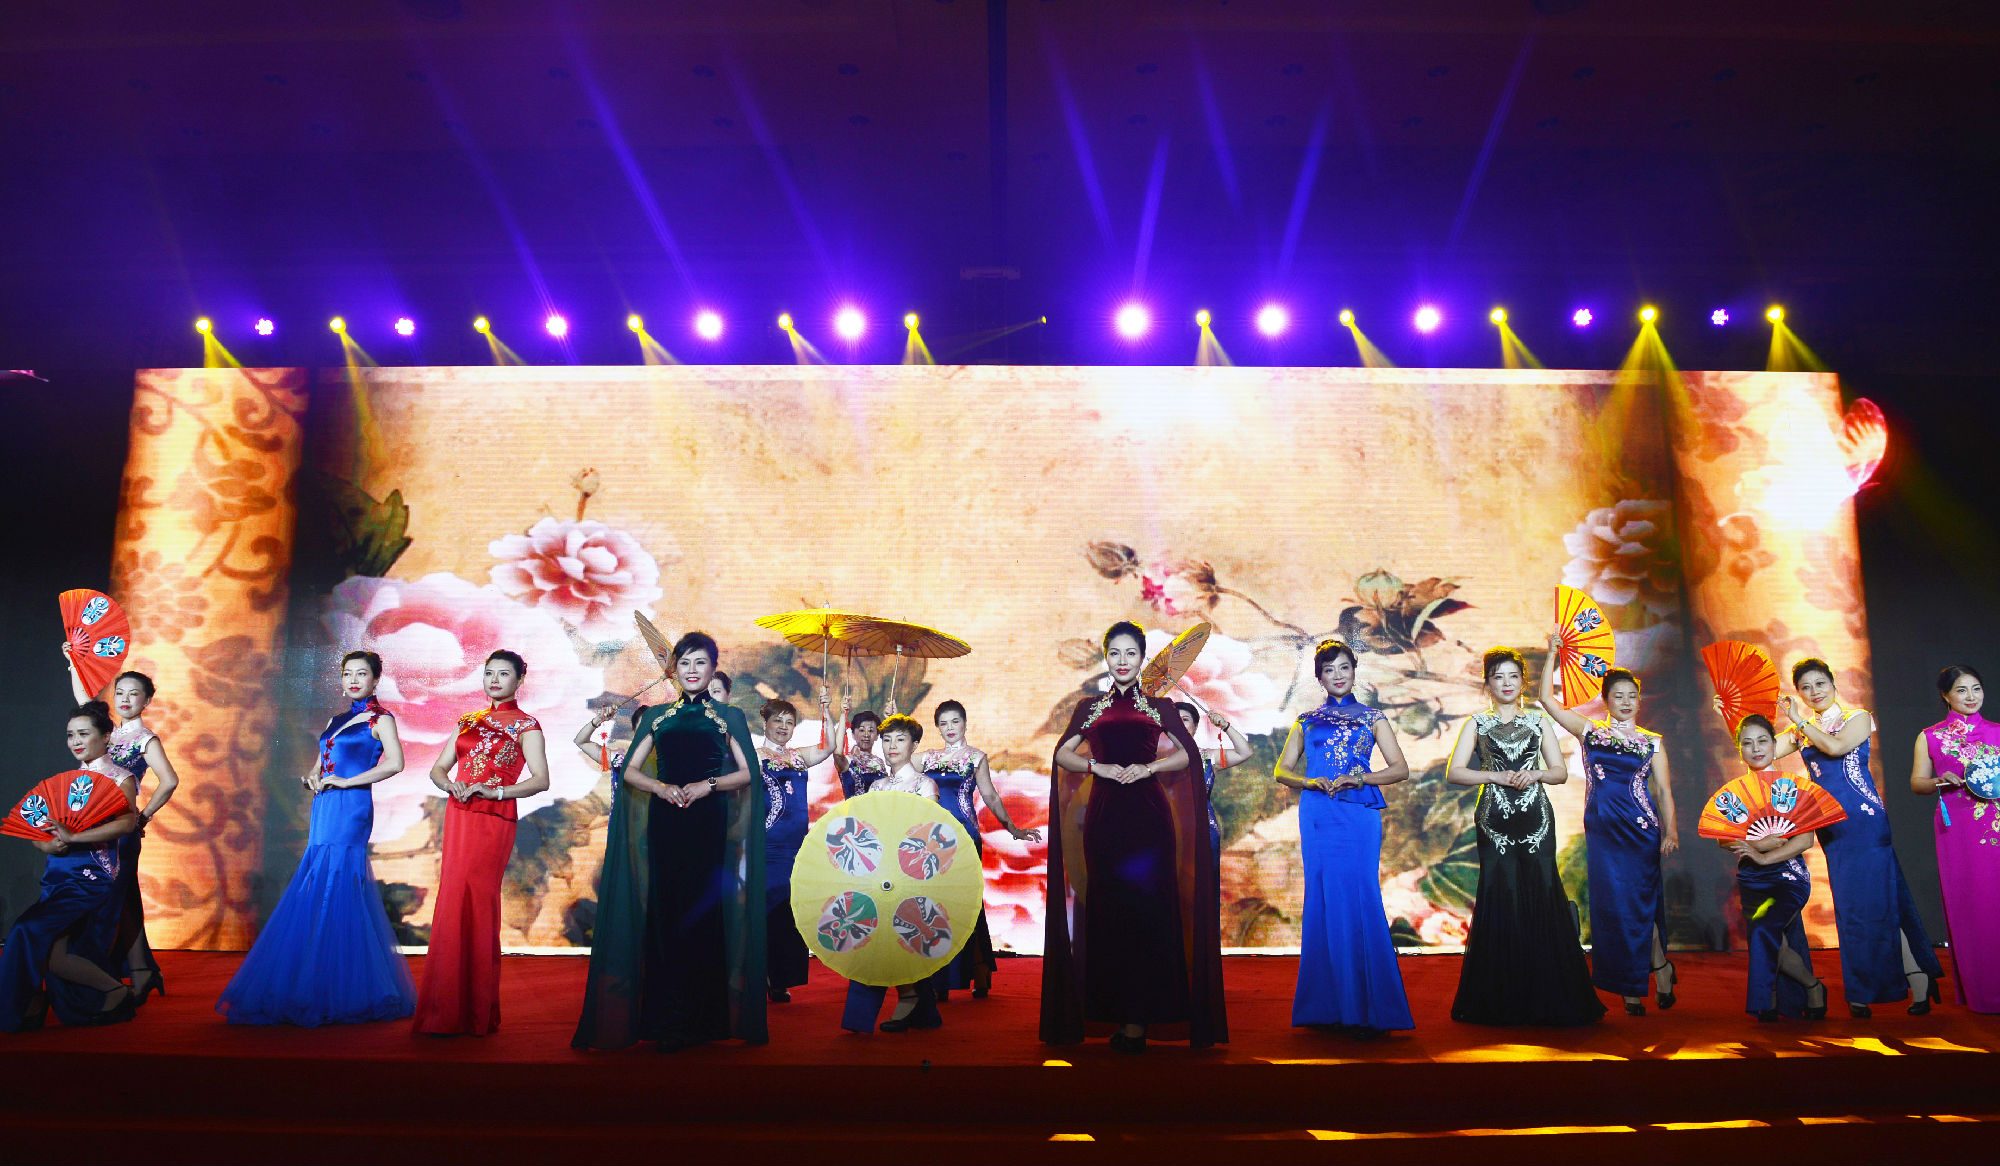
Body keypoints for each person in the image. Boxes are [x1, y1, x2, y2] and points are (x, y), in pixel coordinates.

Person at [573, 631, 766, 1052]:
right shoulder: (658, 716)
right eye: (685, 663)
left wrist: (707, 785)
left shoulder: (729, 716)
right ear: (674, 669)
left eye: (700, 663)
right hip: (666, 822)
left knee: (704, 913)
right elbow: (631, 770)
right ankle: (665, 1021)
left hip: (708, 823)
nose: (692, 670)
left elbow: (748, 773)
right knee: (666, 912)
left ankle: (703, 1022)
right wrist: (660, 789)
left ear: (713, 669)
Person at [1043, 621, 1226, 1053]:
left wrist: (1149, 768)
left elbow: (1187, 755)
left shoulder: (1160, 706)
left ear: (1142, 658)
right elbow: (1062, 753)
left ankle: (1139, 1019)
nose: (1122, 661)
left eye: (1130, 653)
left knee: (1148, 911)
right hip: (1105, 818)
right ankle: (1116, 1011)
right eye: (1115, 653)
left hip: (1148, 820)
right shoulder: (1089, 707)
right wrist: (1098, 767)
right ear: (1106, 657)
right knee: (1109, 909)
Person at [217, 651, 417, 1026]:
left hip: (351, 806)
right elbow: (321, 764)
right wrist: (313, 777)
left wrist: (347, 781)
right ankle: (316, 977)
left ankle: (339, 985)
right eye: (347, 673)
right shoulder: (335, 720)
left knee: (339, 879)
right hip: (324, 804)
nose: (353, 680)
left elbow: (395, 763)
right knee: (319, 877)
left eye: (361, 674)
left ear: (376, 680)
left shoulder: (381, 718)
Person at [1774, 658, 1943, 1018]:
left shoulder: (1857, 717)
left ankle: (1914, 980)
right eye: (1805, 688)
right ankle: (1862, 989)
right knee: (1851, 910)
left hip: (1865, 824)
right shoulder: (1805, 729)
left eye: (1820, 684)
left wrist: (1799, 721)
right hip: (1832, 828)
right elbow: (1761, 751)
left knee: (1880, 903)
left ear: (1833, 684)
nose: (1814, 692)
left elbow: (1836, 748)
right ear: (1798, 693)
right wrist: (1735, 720)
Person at [1448, 647, 1604, 1027]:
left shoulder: (1538, 722)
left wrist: (1534, 774)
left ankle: (1548, 995)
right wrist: (1495, 776)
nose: (1506, 683)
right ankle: (1501, 999)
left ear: (1523, 682)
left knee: (1542, 890)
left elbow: (1559, 772)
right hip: (1493, 821)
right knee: (1500, 893)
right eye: (1498, 676)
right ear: (1487, 683)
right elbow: (1455, 772)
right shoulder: (1476, 724)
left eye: (1513, 676)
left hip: (1537, 819)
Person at [1274, 638, 1414, 1038]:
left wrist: (1360, 777)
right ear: (1319, 678)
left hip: (1357, 814)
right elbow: (1282, 770)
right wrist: (1308, 781)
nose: (1337, 676)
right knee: (1322, 899)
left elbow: (1400, 768)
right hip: (1319, 813)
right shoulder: (1306, 720)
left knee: (1361, 894)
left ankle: (1367, 1006)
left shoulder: (1373, 718)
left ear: (1354, 671)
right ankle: (1328, 1006)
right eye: (1329, 670)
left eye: (1343, 668)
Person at [411, 650, 549, 1036]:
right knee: (452, 900)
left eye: (504, 674)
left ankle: (474, 1010)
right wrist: (450, 784)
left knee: (478, 901)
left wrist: (496, 791)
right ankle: (444, 1008)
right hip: (459, 814)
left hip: (493, 818)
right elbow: (438, 769)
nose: (494, 680)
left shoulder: (527, 725)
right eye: (489, 673)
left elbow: (541, 780)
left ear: (520, 680)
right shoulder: (468, 721)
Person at [1539, 641, 1679, 1015]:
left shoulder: (1652, 742)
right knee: (1614, 908)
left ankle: (1658, 969)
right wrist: (1552, 654)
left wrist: (1670, 832)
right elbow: (1547, 701)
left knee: (1641, 904)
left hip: (1641, 831)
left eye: (1632, 695)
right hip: (1603, 833)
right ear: (1606, 700)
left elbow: (1664, 791)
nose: (1627, 702)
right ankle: (1632, 985)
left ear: (1639, 699)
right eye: (1619, 696)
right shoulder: (1590, 732)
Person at [0, 702, 142, 1031]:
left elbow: (126, 823)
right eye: (70, 735)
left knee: (26, 930)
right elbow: (38, 832)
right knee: (55, 954)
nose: (75, 741)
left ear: (105, 737)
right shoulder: (67, 782)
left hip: (89, 877)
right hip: (57, 875)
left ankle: (22, 1006)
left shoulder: (120, 778)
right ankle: (112, 992)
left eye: (83, 734)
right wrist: (48, 844)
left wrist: (75, 837)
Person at [66, 665, 180, 1005]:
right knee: (124, 902)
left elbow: (170, 781)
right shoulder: (104, 731)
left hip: (120, 832)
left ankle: (102, 979)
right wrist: (74, 664)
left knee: (110, 904)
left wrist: (142, 816)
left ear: (147, 701)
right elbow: (84, 701)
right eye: (119, 693)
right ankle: (142, 970)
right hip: (90, 828)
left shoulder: (145, 739)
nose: (125, 699)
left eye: (133, 694)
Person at [919, 700, 1042, 999]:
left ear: (965, 723)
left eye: (955, 721)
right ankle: (941, 980)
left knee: (967, 906)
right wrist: (894, 720)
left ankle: (979, 972)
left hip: (965, 839)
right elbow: (898, 764)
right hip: (933, 841)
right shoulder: (926, 759)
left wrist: (1013, 829)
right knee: (936, 906)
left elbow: (990, 796)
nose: (950, 728)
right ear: (937, 728)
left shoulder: (976, 758)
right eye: (944, 723)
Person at [840, 715, 948, 1033]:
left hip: (912, 872)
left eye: (900, 739)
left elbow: (930, 833)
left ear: (914, 745)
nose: (892, 746)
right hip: (878, 871)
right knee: (872, 937)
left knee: (904, 936)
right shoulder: (877, 786)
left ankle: (911, 999)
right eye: (887, 740)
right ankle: (912, 1006)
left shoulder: (925, 785)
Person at [1725, 714, 1830, 1021]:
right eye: (1748, 743)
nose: (1756, 748)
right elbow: (1723, 838)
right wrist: (1757, 845)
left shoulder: (1793, 787)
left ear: (1774, 745)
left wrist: (1764, 856)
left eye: (1763, 741)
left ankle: (1792, 991)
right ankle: (1800, 990)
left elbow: (1805, 841)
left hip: (1788, 876)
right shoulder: (1736, 791)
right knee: (1770, 936)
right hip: (1752, 879)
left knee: (1764, 930)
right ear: (1740, 750)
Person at [1912, 665, 1998, 1013]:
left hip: (1996, 824)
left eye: (1976, 688)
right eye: (1961, 690)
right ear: (1945, 696)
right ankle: (1986, 993)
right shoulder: (1930, 736)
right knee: (1974, 906)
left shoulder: (1998, 732)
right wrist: (1939, 780)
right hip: (1959, 830)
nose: (1971, 696)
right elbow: (1917, 783)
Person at [759, 691, 840, 1003]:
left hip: (796, 848)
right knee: (766, 910)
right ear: (765, 723)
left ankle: (781, 979)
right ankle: (761, 975)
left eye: (789, 722)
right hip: (767, 845)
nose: (783, 726)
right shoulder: (755, 756)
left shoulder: (797, 756)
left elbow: (829, 746)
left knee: (789, 912)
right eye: (777, 720)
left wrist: (825, 709)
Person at [1174, 701, 1251, 870]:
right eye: (1175, 720)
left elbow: (1244, 752)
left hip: (1203, 830)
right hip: (1167, 830)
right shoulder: (1155, 759)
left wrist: (1225, 726)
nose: (1180, 725)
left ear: (1195, 727)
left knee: (1203, 880)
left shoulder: (1208, 756)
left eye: (1185, 720)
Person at [834, 709, 888, 797]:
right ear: (853, 734)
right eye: (862, 730)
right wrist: (843, 714)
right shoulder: (847, 761)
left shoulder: (879, 762)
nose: (866, 735)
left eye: (871, 731)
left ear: (877, 735)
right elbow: (837, 753)